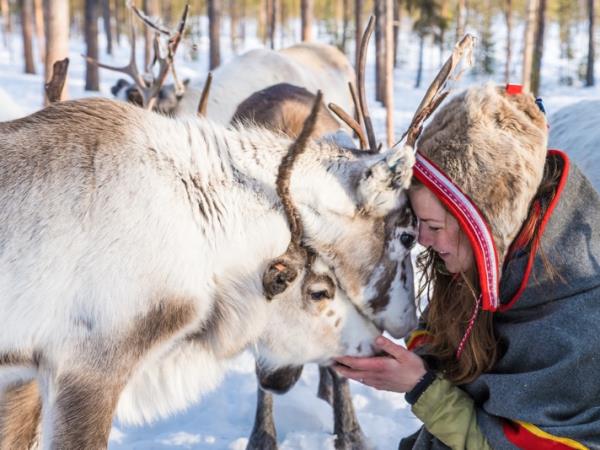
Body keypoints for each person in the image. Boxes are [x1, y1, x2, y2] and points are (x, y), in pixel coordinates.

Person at [334, 83, 600, 450]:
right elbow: (445, 343)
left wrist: (421, 387)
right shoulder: (488, 267)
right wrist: (406, 362)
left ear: (487, 223)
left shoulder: (578, 327)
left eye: (435, 226)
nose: (423, 240)